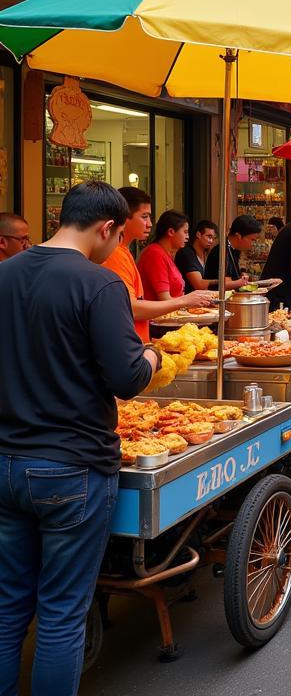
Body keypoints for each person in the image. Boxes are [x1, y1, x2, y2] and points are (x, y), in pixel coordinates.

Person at [0, 181, 158, 695]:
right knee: (62, 613)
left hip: (5, 463)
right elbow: (127, 377)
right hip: (72, 466)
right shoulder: (99, 285)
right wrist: (155, 357)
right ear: (107, 228)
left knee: (7, 607)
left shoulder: (4, 275)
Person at [103, 186, 214, 342]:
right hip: (134, 345)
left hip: (141, 341)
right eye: (144, 217)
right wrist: (185, 300)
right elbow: (132, 308)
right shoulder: (119, 254)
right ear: (123, 217)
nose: (149, 224)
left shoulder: (125, 252)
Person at [138, 209, 190, 301]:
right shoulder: (155, 254)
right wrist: (190, 300)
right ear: (171, 232)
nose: (187, 237)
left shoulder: (164, 253)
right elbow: (165, 299)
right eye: (185, 232)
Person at [205, 214, 261, 290]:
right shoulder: (222, 251)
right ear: (238, 236)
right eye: (252, 240)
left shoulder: (235, 249)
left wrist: (243, 274)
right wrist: (243, 282)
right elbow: (225, 284)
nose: (253, 244)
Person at [175, 218, 218, 292]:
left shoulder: (206, 253)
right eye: (209, 237)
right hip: (187, 299)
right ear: (198, 234)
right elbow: (199, 284)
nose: (211, 241)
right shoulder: (187, 253)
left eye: (213, 238)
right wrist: (222, 282)